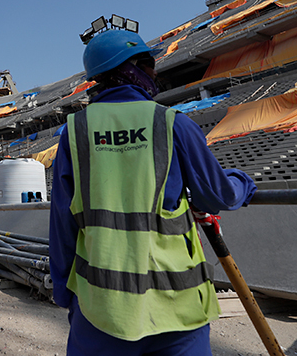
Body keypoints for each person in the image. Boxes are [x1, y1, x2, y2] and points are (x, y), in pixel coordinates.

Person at [49, 28, 257, 355]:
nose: (154, 73)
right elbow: (218, 197)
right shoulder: (173, 123)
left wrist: (63, 290)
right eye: (148, 64)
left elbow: (62, 222)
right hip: (176, 308)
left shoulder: (74, 132)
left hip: (101, 309)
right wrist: (243, 183)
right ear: (128, 67)